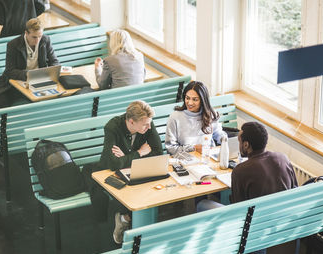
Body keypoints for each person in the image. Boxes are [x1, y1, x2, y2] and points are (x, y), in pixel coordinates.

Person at [197, 122, 298, 254]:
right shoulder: (283, 158)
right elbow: (294, 190)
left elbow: (238, 212)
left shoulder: (241, 170)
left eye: (239, 141)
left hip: (254, 227)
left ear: (246, 145)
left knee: (203, 205)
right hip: (281, 223)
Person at [92, 100, 162, 244]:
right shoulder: (112, 127)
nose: (149, 127)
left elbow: (158, 153)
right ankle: (127, 221)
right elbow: (113, 164)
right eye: (145, 125)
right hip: (110, 172)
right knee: (131, 190)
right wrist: (139, 153)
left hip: (136, 169)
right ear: (131, 122)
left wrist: (125, 156)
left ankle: (127, 220)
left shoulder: (147, 123)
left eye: (150, 123)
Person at [0, 18, 59, 108]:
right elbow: (10, 71)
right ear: (26, 33)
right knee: (1, 102)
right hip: (14, 83)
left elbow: (54, 62)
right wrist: (28, 75)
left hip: (38, 82)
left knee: (52, 100)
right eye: (34, 37)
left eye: (40, 36)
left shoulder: (45, 40)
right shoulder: (13, 45)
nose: (37, 40)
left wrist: (49, 72)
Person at [165, 81, 227, 156]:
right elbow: (171, 148)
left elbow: (218, 134)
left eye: (195, 99)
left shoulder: (210, 114)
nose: (190, 103)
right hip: (186, 159)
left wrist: (224, 139)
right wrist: (193, 148)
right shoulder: (175, 117)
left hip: (208, 158)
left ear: (203, 100)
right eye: (187, 98)